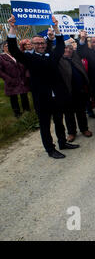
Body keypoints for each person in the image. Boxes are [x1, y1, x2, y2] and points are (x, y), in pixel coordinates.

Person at [7, 15, 79, 159]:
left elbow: (60, 46)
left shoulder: (51, 55)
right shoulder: (28, 58)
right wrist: (12, 28)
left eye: (42, 43)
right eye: (37, 43)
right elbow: (14, 49)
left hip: (57, 96)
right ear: (32, 45)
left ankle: (62, 142)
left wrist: (56, 27)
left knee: (59, 121)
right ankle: (50, 149)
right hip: (41, 98)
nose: (40, 45)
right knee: (45, 125)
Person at [59, 38, 93, 141]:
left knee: (81, 112)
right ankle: (71, 133)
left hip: (80, 90)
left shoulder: (75, 57)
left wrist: (82, 39)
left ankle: (84, 129)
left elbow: (82, 49)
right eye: (65, 48)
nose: (68, 50)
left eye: (70, 48)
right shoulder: (59, 60)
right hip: (67, 92)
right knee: (69, 114)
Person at [0, 40, 31, 117]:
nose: (8, 47)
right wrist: (8, 79)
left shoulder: (16, 54)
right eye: (6, 46)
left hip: (21, 79)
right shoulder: (1, 57)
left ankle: (27, 111)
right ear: (3, 48)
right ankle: (17, 114)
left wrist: (26, 74)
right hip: (11, 80)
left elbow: (25, 64)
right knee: (13, 97)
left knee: (24, 95)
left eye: (9, 45)